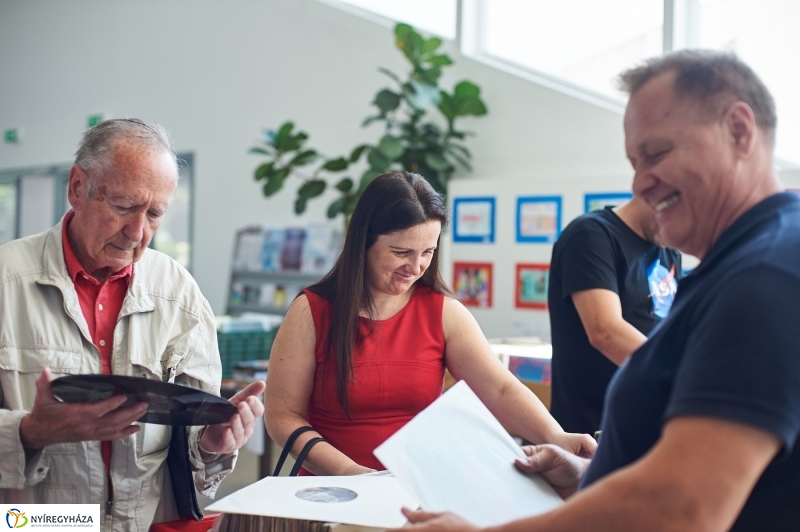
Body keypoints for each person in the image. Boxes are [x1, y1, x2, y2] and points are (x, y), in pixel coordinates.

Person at [400, 50, 800, 531]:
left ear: (738, 130)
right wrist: (591, 475)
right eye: (634, 161)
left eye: (656, 154)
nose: (640, 182)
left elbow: (682, 507)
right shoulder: (738, 264)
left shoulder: (764, 276)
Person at [0, 119, 265, 531]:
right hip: (34, 522)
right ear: (77, 188)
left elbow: (192, 440)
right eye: (123, 207)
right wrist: (29, 432)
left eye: (155, 213)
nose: (137, 232)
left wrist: (211, 445)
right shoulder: (6, 282)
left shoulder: (179, 294)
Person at [265, 172, 596, 476]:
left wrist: (556, 436)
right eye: (401, 252)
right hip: (329, 491)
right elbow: (282, 416)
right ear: (363, 242)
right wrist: (349, 472)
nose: (415, 266)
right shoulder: (311, 312)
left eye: (428, 252)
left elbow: (499, 388)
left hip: (415, 489)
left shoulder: (444, 312)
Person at [549, 196, 681, 435]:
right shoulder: (591, 235)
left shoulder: (667, 249)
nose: (679, 234)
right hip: (591, 427)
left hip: (647, 419)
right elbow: (605, 331)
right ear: (651, 191)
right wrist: (684, 374)